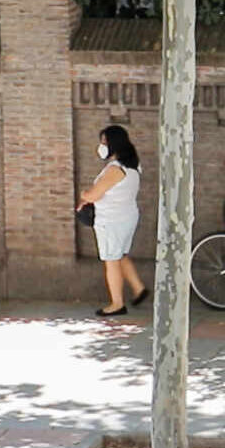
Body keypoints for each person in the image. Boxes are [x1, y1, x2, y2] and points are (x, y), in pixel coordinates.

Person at [77, 125, 148, 317]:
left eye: (104, 142)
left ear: (112, 144)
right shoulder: (133, 166)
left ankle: (117, 303)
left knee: (111, 260)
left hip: (111, 220)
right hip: (127, 216)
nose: (101, 146)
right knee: (121, 254)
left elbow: (93, 195)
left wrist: (84, 194)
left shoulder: (115, 170)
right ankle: (138, 288)